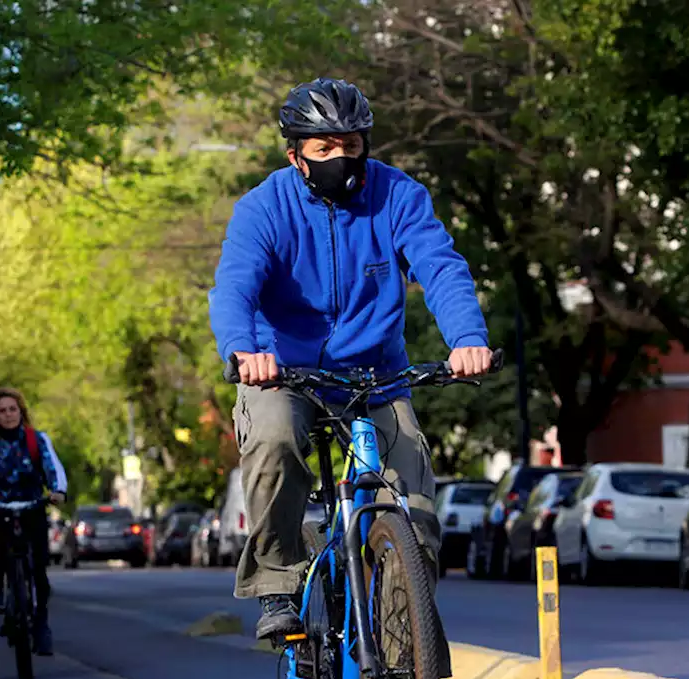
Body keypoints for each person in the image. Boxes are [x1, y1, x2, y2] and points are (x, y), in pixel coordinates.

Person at [207, 78, 493, 648]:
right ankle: (278, 581)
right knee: (274, 440)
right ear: (296, 156)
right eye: (325, 148)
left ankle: (397, 652)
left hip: (375, 374)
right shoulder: (264, 208)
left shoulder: (399, 196)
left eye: (352, 144)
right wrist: (244, 351)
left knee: (413, 508)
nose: (342, 156)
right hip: (283, 370)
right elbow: (234, 287)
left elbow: (440, 267)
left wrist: (467, 338)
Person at [0, 388, 67, 656]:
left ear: (21, 412)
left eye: (12, 409)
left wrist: (57, 491)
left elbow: (54, 468)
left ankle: (41, 624)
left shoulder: (37, 440)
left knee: (39, 571)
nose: (8, 415)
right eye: (2, 411)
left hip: (32, 506)